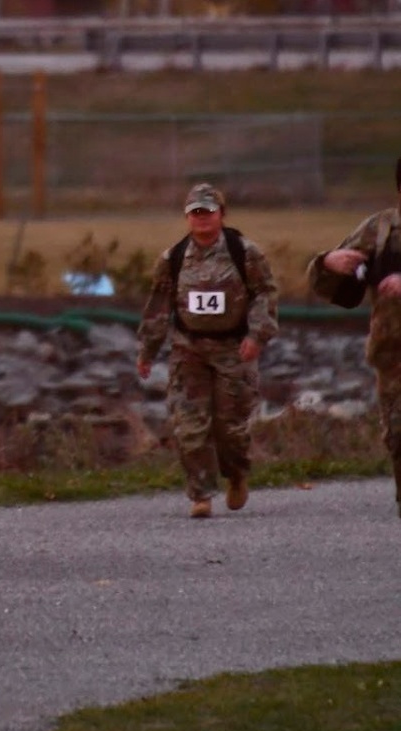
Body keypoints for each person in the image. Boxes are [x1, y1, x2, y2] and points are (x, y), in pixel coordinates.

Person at [136, 182, 279, 519]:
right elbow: (158, 306)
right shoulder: (172, 259)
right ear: (187, 218)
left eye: (207, 212)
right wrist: (147, 351)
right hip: (189, 349)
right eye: (195, 213)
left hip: (234, 349)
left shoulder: (245, 252)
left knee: (230, 427)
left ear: (221, 215)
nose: (201, 218)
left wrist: (257, 335)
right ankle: (200, 493)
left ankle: (237, 475)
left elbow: (265, 293)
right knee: (189, 425)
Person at [306, 157, 401, 518]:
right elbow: (332, 283)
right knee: (398, 433)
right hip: (393, 354)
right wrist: (328, 262)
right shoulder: (380, 229)